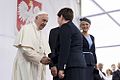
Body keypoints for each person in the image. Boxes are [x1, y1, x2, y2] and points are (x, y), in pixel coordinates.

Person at [12, 11, 51, 80]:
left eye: (46, 22)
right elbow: (26, 50)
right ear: (36, 18)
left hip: (38, 68)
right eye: (43, 20)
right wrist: (40, 59)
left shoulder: (43, 34)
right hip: (26, 66)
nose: (45, 23)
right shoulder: (27, 28)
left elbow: (46, 52)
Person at [50, 7, 86, 80]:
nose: (58, 20)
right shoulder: (75, 28)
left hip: (71, 66)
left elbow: (65, 49)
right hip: (79, 64)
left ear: (62, 17)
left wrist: (61, 68)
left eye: (58, 18)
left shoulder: (65, 27)